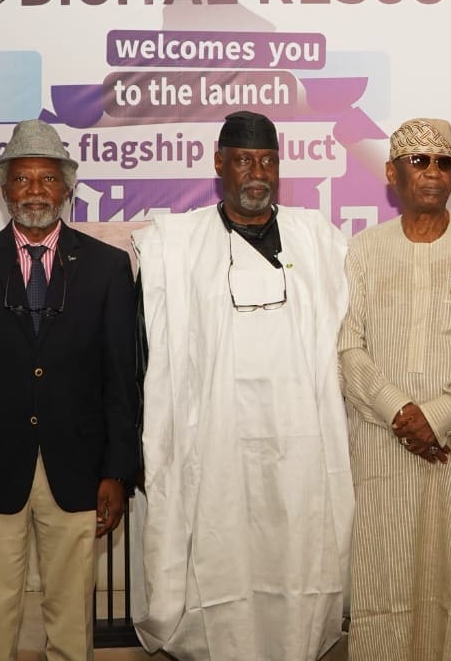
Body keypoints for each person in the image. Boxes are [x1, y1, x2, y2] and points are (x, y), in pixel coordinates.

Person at [132, 111, 352, 660]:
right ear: (219, 164)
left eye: (268, 161)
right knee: (222, 560)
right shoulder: (177, 247)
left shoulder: (318, 241)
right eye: (244, 160)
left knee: (298, 561)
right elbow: (144, 353)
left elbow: (352, 339)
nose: (258, 173)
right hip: (215, 452)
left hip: (302, 452)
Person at [0, 119, 139, 661]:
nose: (35, 191)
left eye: (48, 178)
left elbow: (122, 378)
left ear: (67, 187)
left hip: (79, 466)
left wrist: (117, 472)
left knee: (71, 615)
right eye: (22, 179)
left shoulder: (108, 268)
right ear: (4, 190)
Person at [339, 117, 451, 661]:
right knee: (385, 578)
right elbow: (348, 346)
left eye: (444, 162)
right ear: (392, 173)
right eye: (419, 161)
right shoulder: (363, 251)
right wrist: (398, 411)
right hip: (382, 442)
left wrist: (438, 415)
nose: (433, 172)